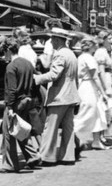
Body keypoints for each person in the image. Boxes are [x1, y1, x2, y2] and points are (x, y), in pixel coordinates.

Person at [34, 27, 80, 165]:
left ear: (58, 40)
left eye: (53, 39)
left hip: (59, 97)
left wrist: (37, 78)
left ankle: (47, 157)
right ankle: (67, 156)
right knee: (68, 128)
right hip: (71, 96)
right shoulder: (71, 54)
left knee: (50, 128)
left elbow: (54, 74)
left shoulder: (60, 54)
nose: (51, 41)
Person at [0, 37, 41, 173]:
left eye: (4, 52)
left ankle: (10, 165)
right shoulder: (27, 63)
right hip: (27, 101)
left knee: (9, 134)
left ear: (9, 50)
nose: (4, 56)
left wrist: (9, 107)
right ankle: (33, 156)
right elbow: (36, 80)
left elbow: (11, 89)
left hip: (15, 103)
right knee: (20, 130)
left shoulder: (11, 67)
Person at [74, 38, 110, 151]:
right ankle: (74, 137)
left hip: (83, 86)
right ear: (90, 46)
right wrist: (103, 93)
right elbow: (95, 77)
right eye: (94, 45)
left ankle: (96, 141)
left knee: (97, 113)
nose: (96, 47)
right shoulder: (89, 58)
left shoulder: (80, 57)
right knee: (86, 114)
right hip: (88, 88)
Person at [94, 34, 112, 143]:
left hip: (108, 80)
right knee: (106, 109)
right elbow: (101, 71)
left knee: (108, 110)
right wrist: (105, 88)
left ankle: (102, 135)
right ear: (103, 40)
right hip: (105, 82)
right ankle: (100, 136)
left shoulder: (105, 51)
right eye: (109, 38)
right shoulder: (101, 52)